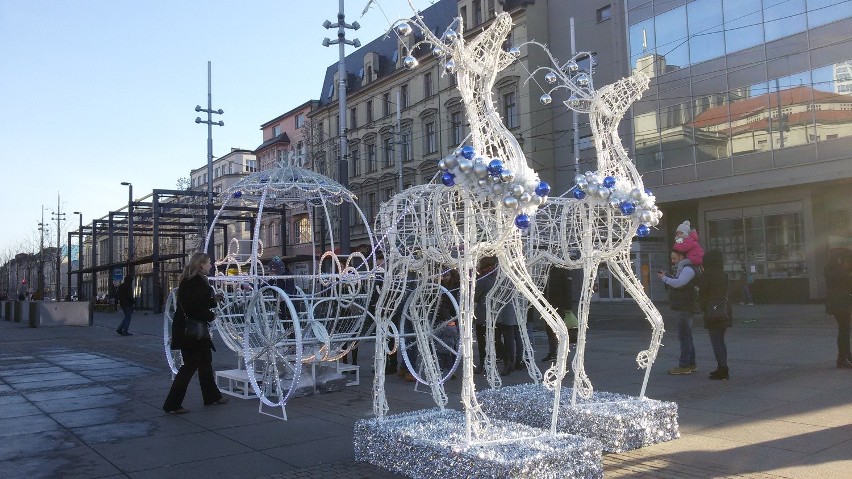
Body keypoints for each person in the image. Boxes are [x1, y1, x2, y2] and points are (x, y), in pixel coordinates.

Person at [162, 252, 228, 414]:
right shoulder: (194, 282)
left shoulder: (193, 281)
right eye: (209, 263)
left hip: (193, 330)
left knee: (205, 363)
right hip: (191, 332)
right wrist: (210, 315)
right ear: (201, 265)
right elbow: (194, 308)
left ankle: (212, 396)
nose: (211, 266)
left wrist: (214, 300)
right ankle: (172, 404)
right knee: (189, 367)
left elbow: (199, 303)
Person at [658, 249, 701, 375]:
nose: (673, 261)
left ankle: (684, 365)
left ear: (682, 257)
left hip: (686, 306)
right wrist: (668, 276)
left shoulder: (688, 269)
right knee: (687, 336)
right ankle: (691, 364)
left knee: (684, 337)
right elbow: (682, 283)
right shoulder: (687, 268)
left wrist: (664, 278)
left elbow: (679, 283)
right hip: (686, 305)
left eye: (674, 259)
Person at [697, 250, 732, 380]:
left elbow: (703, 294)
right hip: (724, 309)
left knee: (716, 341)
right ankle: (723, 366)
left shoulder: (706, 275)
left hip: (712, 311)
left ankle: (722, 369)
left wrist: (703, 307)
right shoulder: (723, 274)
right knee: (721, 341)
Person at [824, 250, 852, 369]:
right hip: (843, 303)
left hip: (834, 303)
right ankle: (842, 359)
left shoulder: (828, 269)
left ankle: (846, 356)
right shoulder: (842, 272)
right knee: (844, 330)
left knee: (843, 329)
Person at [542, 266, 574, 362]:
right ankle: (552, 352)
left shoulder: (562, 270)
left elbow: (568, 290)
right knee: (549, 329)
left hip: (559, 305)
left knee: (559, 330)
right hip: (549, 305)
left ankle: (560, 352)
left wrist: (568, 307)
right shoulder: (547, 271)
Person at [473, 256, 499, 374]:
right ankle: (506, 360)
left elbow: (475, 297)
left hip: (482, 315)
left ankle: (483, 363)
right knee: (494, 339)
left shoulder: (482, 280)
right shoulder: (497, 277)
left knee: (482, 340)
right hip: (495, 313)